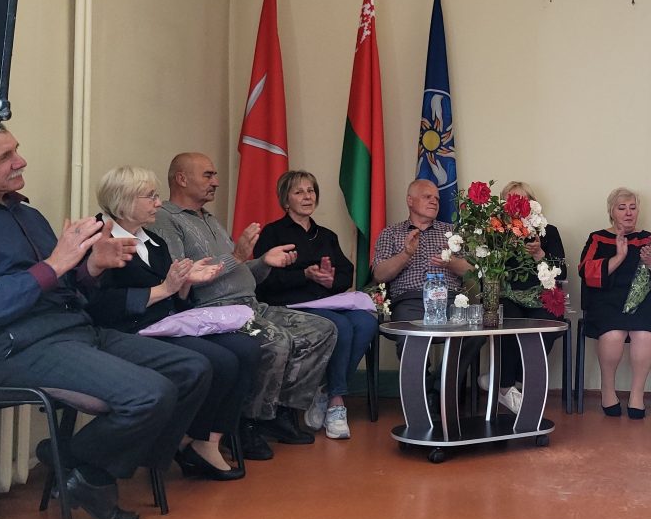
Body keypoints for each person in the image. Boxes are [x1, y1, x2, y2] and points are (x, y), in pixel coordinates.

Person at [0, 125, 211, 519]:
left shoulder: (27, 214)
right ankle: (88, 471)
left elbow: (66, 285)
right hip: (15, 348)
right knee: (150, 394)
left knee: (192, 369)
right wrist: (55, 264)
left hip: (75, 330)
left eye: (16, 150)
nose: (20, 161)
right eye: (3, 157)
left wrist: (92, 266)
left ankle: (81, 466)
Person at [150, 152, 336, 459]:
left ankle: (279, 412)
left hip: (250, 303)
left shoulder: (210, 219)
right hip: (214, 310)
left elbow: (239, 272)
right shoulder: (166, 220)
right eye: (208, 175)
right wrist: (236, 256)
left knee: (322, 329)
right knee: (276, 342)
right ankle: (248, 423)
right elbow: (182, 277)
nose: (216, 182)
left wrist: (263, 262)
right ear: (181, 179)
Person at [86, 166, 255, 479]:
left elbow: (175, 301)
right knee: (220, 361)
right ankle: (181, 441)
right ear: (124, 200)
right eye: (150, 197)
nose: (158, 203)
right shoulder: (99, 239)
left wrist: (185, 282)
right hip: (125, 331)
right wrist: (165, 288)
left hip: (165, 325)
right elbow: (98, 304)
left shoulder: (154, 241)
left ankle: (206, 440)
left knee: (246, 349)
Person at [253, 171, 378, 440]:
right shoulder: (273, 233)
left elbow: (346, 272)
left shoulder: (326, 235)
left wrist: (332, 280)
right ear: (285, 200)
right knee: (341, 325)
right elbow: (263, 282)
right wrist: (304, 275)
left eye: (311, 191)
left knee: (366, 322)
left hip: (325, 302)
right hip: (288, 305)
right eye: (299, 192)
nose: (307, 196)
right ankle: (336, 401)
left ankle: (323, 389)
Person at [372, 179, 483, 399]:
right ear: (410, 200)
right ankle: (424, 393)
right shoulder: (391, 233)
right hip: (410, 301)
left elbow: (472, 271)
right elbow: (379, 275)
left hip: (450, 299)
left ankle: (439, 387)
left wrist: (450, 262)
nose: (434, 201)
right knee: (410, 336)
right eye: (427, 196)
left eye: (437, 199)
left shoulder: (451, 232)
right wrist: (405, 254)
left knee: (476, 332)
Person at [579, 187, 651, 419]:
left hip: (644, 304)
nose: (628, 213)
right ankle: (608, 391)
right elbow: (586, 272)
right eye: (622, 208)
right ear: (611, 212)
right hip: (607, 302)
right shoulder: (597, 238)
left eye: (632, 208)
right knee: (613, 335)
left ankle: (637, 395)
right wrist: (618, 257)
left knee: (645, 335)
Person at [483, 181, 568, 413]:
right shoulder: (495, 231)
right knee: (508, 323)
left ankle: (515, 384)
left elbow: (562, 272)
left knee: (547, 327)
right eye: (512, 200)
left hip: (540, 296)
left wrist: (540, 254)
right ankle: (504, 387)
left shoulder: (549, 231)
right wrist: (505, 247)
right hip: (506, 295)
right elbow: (487, 270)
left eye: (523, 200)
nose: (518, 205)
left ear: (533, 204)